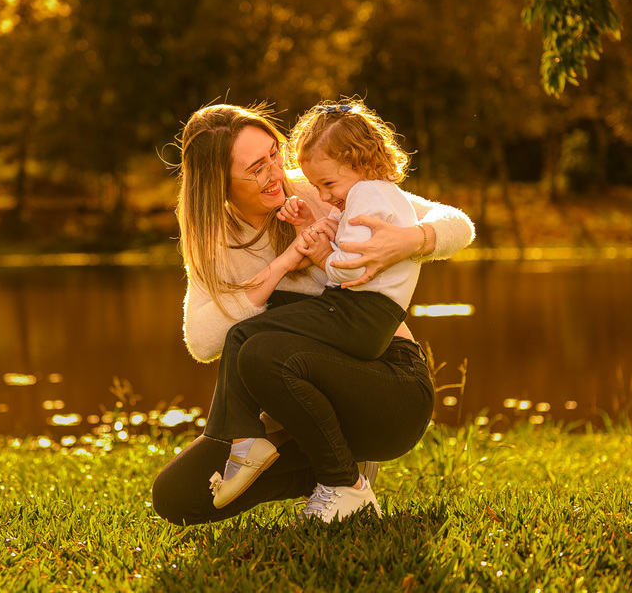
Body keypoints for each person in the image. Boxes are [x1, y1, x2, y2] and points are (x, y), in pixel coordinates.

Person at [151, 103, 474, 525]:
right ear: (219, 183)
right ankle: (331, 467)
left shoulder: (320, 188)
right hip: (292, 401)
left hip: (385, 383)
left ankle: (345, 482)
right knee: (177, 497)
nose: (274, 174)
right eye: (256, 168)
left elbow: (458, 224)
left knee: (260, 349)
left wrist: (412, 239)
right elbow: (202, 341)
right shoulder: (214, 239)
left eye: (273, 155)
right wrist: (281, 266)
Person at [206, 99, 429, 512]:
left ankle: (248, 443)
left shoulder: (367, 196)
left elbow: (345, 271)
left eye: (328, 185)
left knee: (246, 334)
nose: (325, 196)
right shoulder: (369, 193)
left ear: (359, 163)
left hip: (361, 316)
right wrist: (312, 230)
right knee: (247, 331)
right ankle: (245, 440)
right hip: (359, 313)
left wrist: (320, 251)